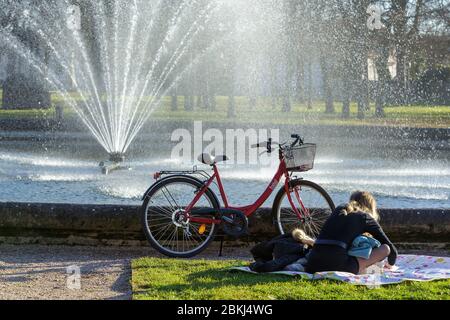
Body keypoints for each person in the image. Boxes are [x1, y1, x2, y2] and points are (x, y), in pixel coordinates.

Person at [305, 191, 397, 275]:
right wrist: (390, 264)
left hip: (312, 264)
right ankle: (361, 269)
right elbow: (391, 250)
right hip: (338, 266)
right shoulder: (365, 217)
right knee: (385, 248)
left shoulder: (340, 209)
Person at [249, 229, 314, 273]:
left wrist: (254, 265)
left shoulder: (294, 252)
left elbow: (267, 266)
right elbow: (267, 266)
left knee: (292, 267)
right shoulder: (291, 244)